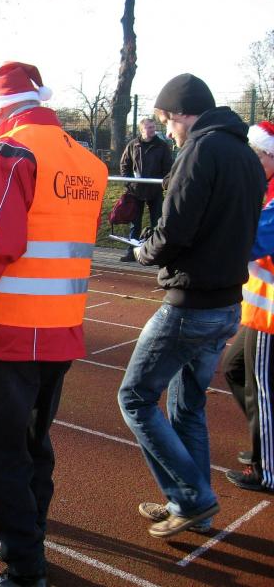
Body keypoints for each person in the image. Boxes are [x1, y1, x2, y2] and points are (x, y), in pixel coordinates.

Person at [0, 61, 107, 587]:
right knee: (34, 446)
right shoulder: (85, 162)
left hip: (10, 333)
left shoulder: (10, 153)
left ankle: (24, 568)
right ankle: (29, 536)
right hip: (62, 329)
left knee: (0, 456)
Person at [117, 74, 266, 538]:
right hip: (227, 304)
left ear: (181, 113)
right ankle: (193, 505)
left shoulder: (200, 150)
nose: (167, 130)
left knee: (135, 397)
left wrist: (145, 252)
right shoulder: (245, 155)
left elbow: (175, 230)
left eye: (167, 120)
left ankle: (191, 497)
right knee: (186, 407)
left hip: (191, 305)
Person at [221, 120, 274, 493]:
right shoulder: (266, 191)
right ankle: (264, 441)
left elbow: (253, 242)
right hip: (259, 309)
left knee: (262, 389)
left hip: (269, 314)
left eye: (257, 155)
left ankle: (267, 469)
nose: (252, 162)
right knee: (236, 369)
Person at [118, 117, 173, 262]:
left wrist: (162, 184)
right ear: (141, 130)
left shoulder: (162, 146)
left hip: (155, 190)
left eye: (153, 127)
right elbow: (124, 165)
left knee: (157, 223)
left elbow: (168, 167)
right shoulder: (133, 145)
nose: (152, 130)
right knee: (135, 223)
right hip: (136, 191)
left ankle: (156, 253)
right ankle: (132, 252)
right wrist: (129, 183)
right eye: (149, 127)